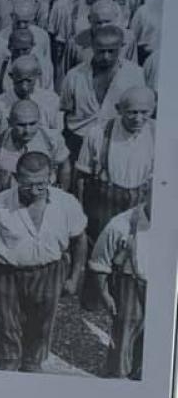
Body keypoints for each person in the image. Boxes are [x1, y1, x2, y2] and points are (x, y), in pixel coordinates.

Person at [0, 151, 88, 373]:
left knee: (42, 321)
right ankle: (9, 357)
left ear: (52, 177)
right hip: (7, 272)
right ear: (16, 177)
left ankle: (32, 360)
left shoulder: (68, 203)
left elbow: (79, 240)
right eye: (27, 185)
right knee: (7, 320)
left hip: (49, 272)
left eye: (41, 184)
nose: (35, 191)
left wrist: (75, 276)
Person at [75, 85, 155, 265]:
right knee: (99, 259)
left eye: (144, 112)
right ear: (119, 110)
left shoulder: (156, 133)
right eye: (132, 112)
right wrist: (80, 214)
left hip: (140, 207)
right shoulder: (98, 132)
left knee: (132, 261)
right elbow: (81, 177)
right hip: (103, 207)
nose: (138, 118)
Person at [59, 25, 146, 161]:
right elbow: (64, 112)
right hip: (78, 141)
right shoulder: (74, 76)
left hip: (117, 142)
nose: (106, 56)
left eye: (111, 51)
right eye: (101, 51)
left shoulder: (135, 75)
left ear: (121, 47)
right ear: (92, 47)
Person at [89, 193, 150, 379]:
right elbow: (99, 262)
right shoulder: (121, 224)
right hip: (131, 283)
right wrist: (104, 294)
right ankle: (118, 378)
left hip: (165, 287)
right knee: (124, 332)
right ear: (149, 191)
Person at [0, 100, 71, 199]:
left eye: (32, 124)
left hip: (43, 200)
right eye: (21, 125)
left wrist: (61, 196)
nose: (27, 130)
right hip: (8, 202)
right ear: (9, 122)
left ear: (39, 120)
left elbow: (65, 167)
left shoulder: (52, 140)